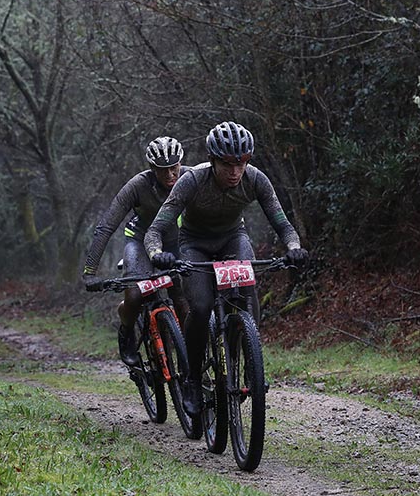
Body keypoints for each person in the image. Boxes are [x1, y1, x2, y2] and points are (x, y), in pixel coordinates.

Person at [144, 121, 308, 415]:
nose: (235, 172)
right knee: (202, 304)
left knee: (247, 290)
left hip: (233, 238)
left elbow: (283, 224)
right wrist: (157, 254)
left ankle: (250, 358)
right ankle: (192, 378)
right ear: (213, 160)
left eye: (241, 163)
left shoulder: (256, 179)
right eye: (227, 164)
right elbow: (155, 231)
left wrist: (294, 248)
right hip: (194, 243)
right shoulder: (192, 180)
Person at [83, 136, 190, 369]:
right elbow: (106, 227)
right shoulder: (138, 185)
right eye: (163, 170)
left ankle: (190, 355)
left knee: (184, 297)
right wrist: (90, 271)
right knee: (135, 295)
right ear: (152, 168)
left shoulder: (191, 177)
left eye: (175, 167)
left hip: (177, 241)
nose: (171, 174)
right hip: (139, 241)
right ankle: (126, 331)